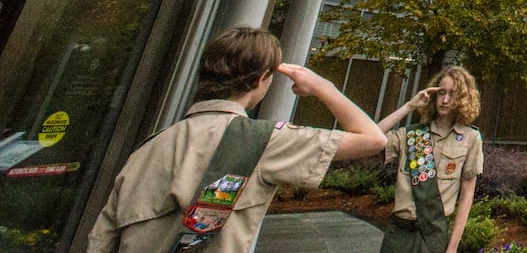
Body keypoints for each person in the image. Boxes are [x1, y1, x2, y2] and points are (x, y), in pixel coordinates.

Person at [87, 26, 385, 253]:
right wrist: (323, 86)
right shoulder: (265, 140)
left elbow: (102, 238)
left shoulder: (150, 145)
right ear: (259, 80)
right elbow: (372, 139)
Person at [376, 65, 484, 253]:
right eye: (441, 93)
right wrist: (409, 106)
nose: (445, 100)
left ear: (463, 98)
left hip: (433, 236)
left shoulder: (470, 138)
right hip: (399, 233)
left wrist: (452, 248)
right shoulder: (411, 135)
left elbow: (467, 196)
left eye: (453, 94)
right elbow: (373, 138)